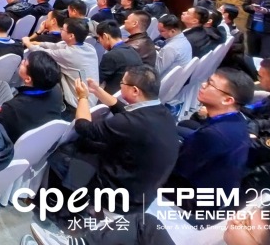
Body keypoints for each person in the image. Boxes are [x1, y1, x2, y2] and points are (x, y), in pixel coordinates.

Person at [49, 66, 179, 210]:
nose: (120, 85)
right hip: (142, 190)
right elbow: (121, 109)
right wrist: (96, 90)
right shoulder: (162, 113)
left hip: (120, 197)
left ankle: (61, 205)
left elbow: (83, 127)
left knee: (60, 154)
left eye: (122, 83)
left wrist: (83, 97)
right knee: (92, 145)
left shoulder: (131, 123)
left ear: (135, 91)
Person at [165, 68, 254, 222]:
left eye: (210, 84)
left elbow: (177, 168)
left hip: (194, 200)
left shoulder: (214, 134)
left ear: (227, 100)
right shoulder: (237, 119)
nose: (203, 85)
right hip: (214, 191)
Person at [0, 51, 65, 142]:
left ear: (28, 79)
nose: (22, 61)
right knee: (1, 85)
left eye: (24, 63)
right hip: (37, 138)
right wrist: (2, 110)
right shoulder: (56, 90)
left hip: (4, 141)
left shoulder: (13, 108)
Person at [95, 21, 143, 94]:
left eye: (99, 39)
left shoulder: (110, 56)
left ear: (105, 36)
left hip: (111, 96)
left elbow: (96, 81)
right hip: (128, 95)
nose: (100, 42)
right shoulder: (133, 51)